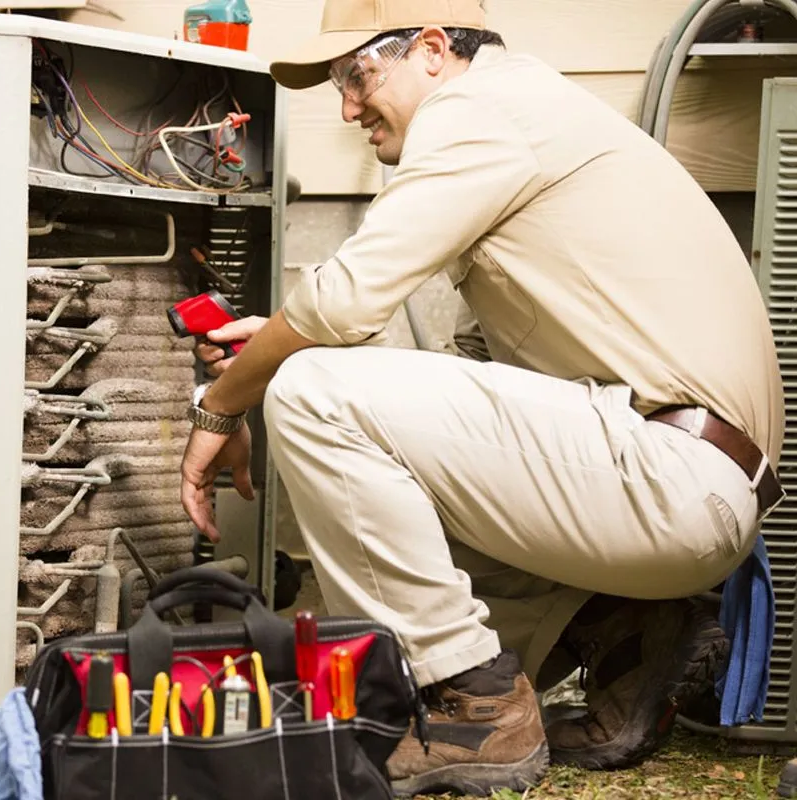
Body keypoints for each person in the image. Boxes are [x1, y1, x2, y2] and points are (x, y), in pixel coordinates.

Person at [177, 0, 785, 795]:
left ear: (433, 50)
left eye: (357, 74)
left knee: (313, 390)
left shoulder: (477, 110)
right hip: (666, 476)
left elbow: (346, 300)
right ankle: (619, 633)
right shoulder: (527, 113)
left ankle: (480, 710)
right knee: (364, 622)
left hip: (666, 480)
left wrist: (227, 400)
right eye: (336, 82)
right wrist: (278, 345)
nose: (349, 106)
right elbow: (464, 388)